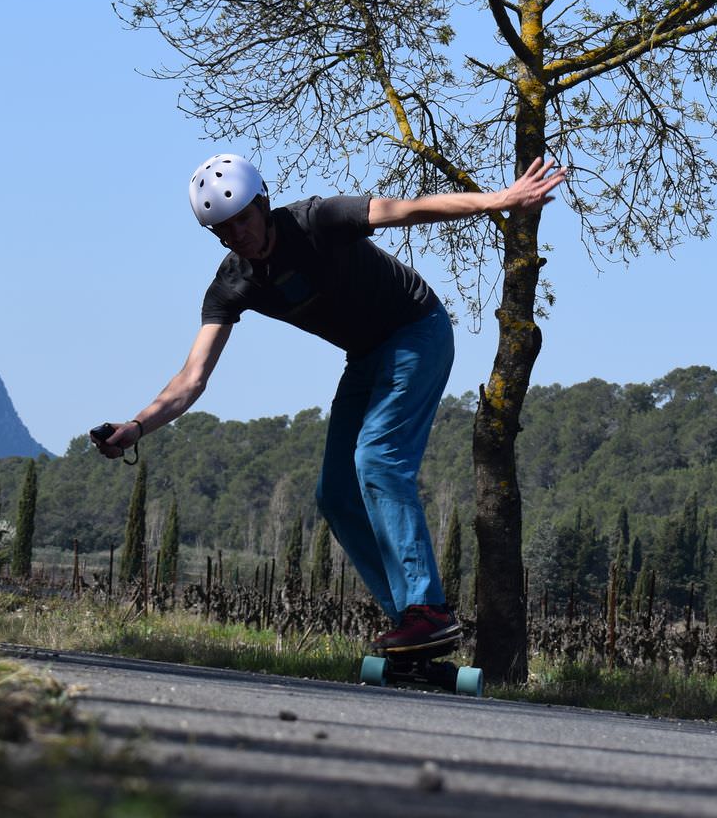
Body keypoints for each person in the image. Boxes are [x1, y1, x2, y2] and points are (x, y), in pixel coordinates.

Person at [93, 152, 566, 653]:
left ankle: (427, 609)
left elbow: (407, 209)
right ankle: (413, 625)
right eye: (222, 231)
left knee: (378, 458)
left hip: (417, 331)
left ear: (263, 204)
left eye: (242, 221)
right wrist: (136, 426)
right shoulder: (232, 283)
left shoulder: (316, 219)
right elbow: (192, 377)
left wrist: (500, 200)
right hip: (365, 358)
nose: (237, 237)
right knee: (336, 495)